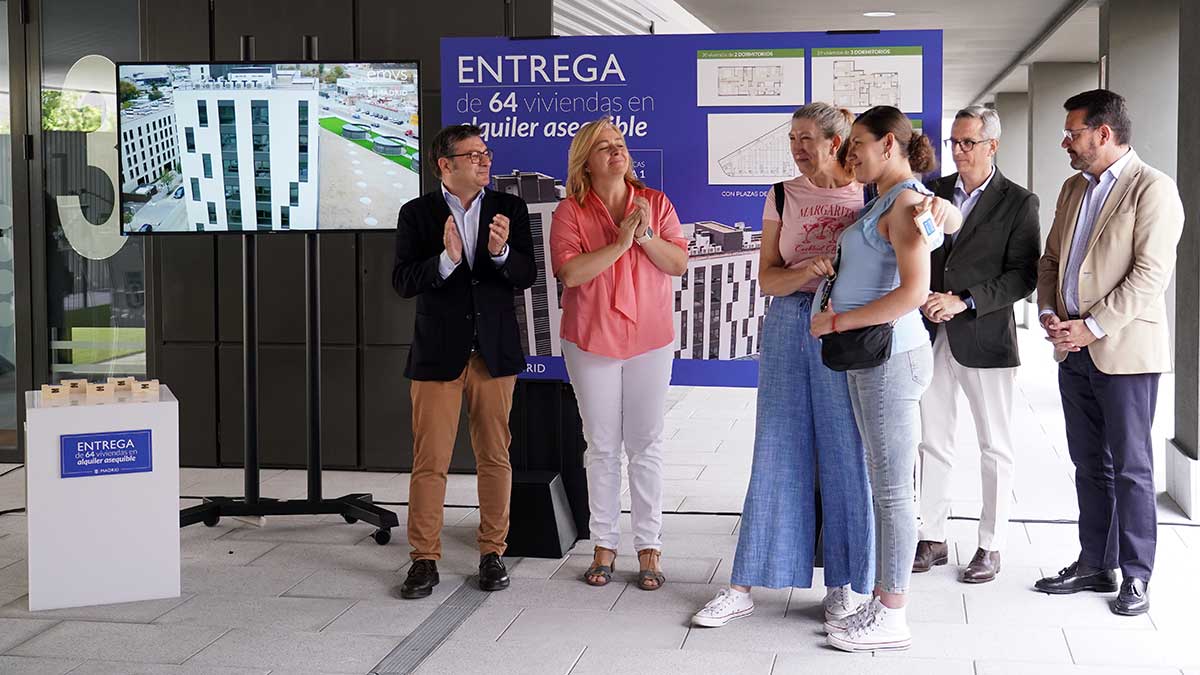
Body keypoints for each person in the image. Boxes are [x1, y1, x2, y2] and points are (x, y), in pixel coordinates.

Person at [690, 103, 874, 629]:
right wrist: (802, 273)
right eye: (793, 137)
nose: (796, 147)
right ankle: (743, 585)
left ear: (837, 141)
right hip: (790, 321)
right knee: (776, 446)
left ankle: (845, 586)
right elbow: (767, 280)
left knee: (845, 452)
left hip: (845, 323)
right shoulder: (780, 194)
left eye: (807, 137)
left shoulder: (867, 191)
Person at [810, 105, 962, 652]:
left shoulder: (906, 203)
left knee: (894, 489)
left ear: (890, 145)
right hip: (869, 357)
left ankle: (893, 615)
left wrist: (837, 320)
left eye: (858, 145)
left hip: (889, 357)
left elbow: (914, 292)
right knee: (883, 484)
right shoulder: (888, 202)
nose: (851, 155)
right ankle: (883, 597)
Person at [1034, 89, 1183, 616]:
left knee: (1131, 468)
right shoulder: (1074, 188)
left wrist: (1090, 327)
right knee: (1087, 464)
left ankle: (1137, 575)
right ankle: (1096, 561)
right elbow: (1052, 258)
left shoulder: (1154, 189)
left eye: (1073, 133)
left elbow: (1149, 277)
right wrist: (1050, 313)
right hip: (1072, 348)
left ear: (1104, 133)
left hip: (1123, 350)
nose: (1065, 142)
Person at [392, 123, 536, 599]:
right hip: (437, 356)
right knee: (429, 461)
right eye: (473, 155)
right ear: (445, 164)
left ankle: (492, 553)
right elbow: (403, 281)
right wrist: (447, 260)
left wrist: (500, 252)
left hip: (493, 354)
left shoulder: (508, 208)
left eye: (486, 153)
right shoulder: (417, 214)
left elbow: (525, 276)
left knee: (495, 457)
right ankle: (423, 560)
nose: (484, 161)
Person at [549, 117, 688, 591]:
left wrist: (645, 236)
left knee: (646, 442)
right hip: (590, 337)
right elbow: (570, 273)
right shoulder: (570, 211)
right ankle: (604, 542)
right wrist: (621, 243)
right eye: (605, 146)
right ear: (585, 162)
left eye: (621, 143)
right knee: (602, 445)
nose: (617, 151)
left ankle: (649, 544)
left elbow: (679, 263)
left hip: (650, 336)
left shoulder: (656, 204)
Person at [913, 106, 1041, 584]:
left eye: (968, 143)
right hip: (932, 332)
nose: (959, 151)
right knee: (932, 439)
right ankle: (932, 536)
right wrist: (925, 297)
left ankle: (992, 544)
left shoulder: (1019, 202)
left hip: (984, 335)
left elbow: (1022, 277)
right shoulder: (934, 191)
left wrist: (963, 301)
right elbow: (921, 253)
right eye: (954, 142)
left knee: (994, 445)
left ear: (993, 146)